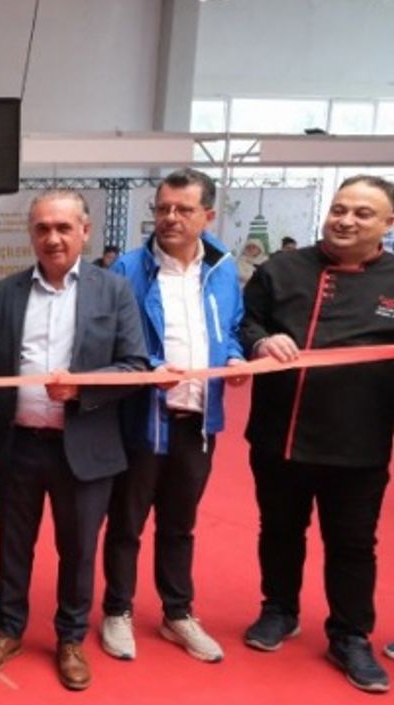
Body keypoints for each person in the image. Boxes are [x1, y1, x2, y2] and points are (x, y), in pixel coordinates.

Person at [0, 190, 147, 691]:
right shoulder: (4, 294)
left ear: (85, 231)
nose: (53, 238)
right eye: (43, 228)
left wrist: (82, 387)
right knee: (13, 546)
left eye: (64, 227)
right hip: (18, 445)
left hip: (85, 448)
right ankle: (9, 628)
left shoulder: (114, 291)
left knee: (79, 549)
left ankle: (70, 638)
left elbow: (135, 366)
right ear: (31, 233)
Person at [240, 175, 394, 693]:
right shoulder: (281, 269)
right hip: (279, 432)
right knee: (279, 529)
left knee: (352, 543)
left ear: (388, 224)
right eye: (339, 209)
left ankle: (350, 635)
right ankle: (279, 609)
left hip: (360, 441)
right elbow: (246, 324)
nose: (345, 220)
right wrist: (262, 344)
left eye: (362, 214)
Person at [101, 168, 247, 663]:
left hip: (199, 421)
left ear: (208, 215)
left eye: (183, 209)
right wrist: (149, 367)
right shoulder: (128, 268)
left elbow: (231, 329)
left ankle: (177, 613)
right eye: (163, 208)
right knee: (127, 523)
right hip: (142, 420)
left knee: (180, 525)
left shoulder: (223, 269)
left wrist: (234, 357)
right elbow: (112, 337)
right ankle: (117, 610)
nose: (170, 218)